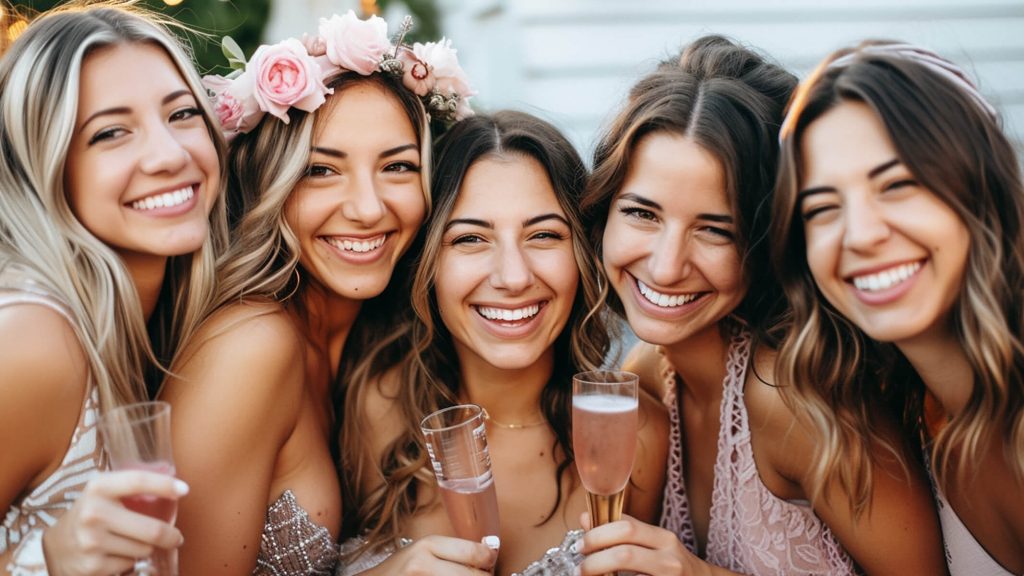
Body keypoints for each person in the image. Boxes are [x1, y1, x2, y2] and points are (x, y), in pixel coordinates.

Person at [574, 35, 948, 575]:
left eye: (714, 229)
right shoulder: (649, 377)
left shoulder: (799, 404)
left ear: (766, 241)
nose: (665, 266)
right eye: (642, 214)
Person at [159, 10, 473, 575]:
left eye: (398, 167)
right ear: (270, 184)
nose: (368, 208)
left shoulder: (377, 340)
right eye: (322, 171)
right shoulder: (249, 345)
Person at [336, 110, 668, 576]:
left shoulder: (634, 433)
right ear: (427, 262)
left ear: (583, 255)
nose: (513, 277)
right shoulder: (375, 409)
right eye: (471, 238)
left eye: (544, 235)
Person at [771, 41, 1024, 575]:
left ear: (980, 189)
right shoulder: (901, 415)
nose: (860, 235)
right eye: (822, 208)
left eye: (898, 185)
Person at [0, 2, 227, 574]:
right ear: (43, 165)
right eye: (111, 132)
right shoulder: (36, 344)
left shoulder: (164, 322)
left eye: (181, 115)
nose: (170, 156)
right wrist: (46, 561)